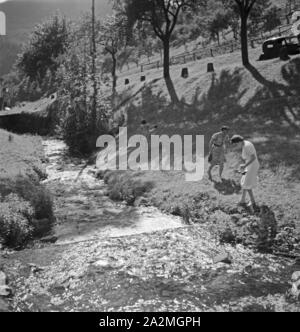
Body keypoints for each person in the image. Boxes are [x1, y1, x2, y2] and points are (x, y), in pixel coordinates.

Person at [230, 135, 260, 207]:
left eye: (236, 144)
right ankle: (242, 200)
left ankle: (253, 202)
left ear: (239, 141)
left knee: (247, 184)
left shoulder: (247, 146)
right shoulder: (245, 143)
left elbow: (253, 158)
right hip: (249, 165)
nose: (236, 146)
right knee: (244, 182)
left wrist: (244, 165)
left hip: (252, 166)